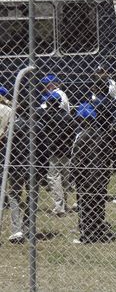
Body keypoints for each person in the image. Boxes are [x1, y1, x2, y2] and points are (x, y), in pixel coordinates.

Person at [71, 103, 116, 244]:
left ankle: (86, 236)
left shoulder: (82, 137)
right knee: (98, 204)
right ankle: (98, 230)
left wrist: (73, 176)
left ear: (82, 120)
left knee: (85, 206)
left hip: (85, 178)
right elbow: (110, 155)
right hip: (101, 176)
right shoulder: (102, 135)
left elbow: (77, 160)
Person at [6, 106, 49, 243]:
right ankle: (28, 228)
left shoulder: (13, 127)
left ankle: (16, 229)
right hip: (34, 167)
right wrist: (44, 170)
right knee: (32, 198)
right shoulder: (39, 127)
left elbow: (7, 148)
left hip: (15, 166)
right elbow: (45, 150)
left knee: (14, 196)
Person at [39, 92, 77, 217]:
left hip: (54, 152)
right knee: (65, 178)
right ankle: (64, 204)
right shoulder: (67, 116)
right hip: (66, 151)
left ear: (50, 103)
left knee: (54, 178)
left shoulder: (47, 116)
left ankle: (59, 207)